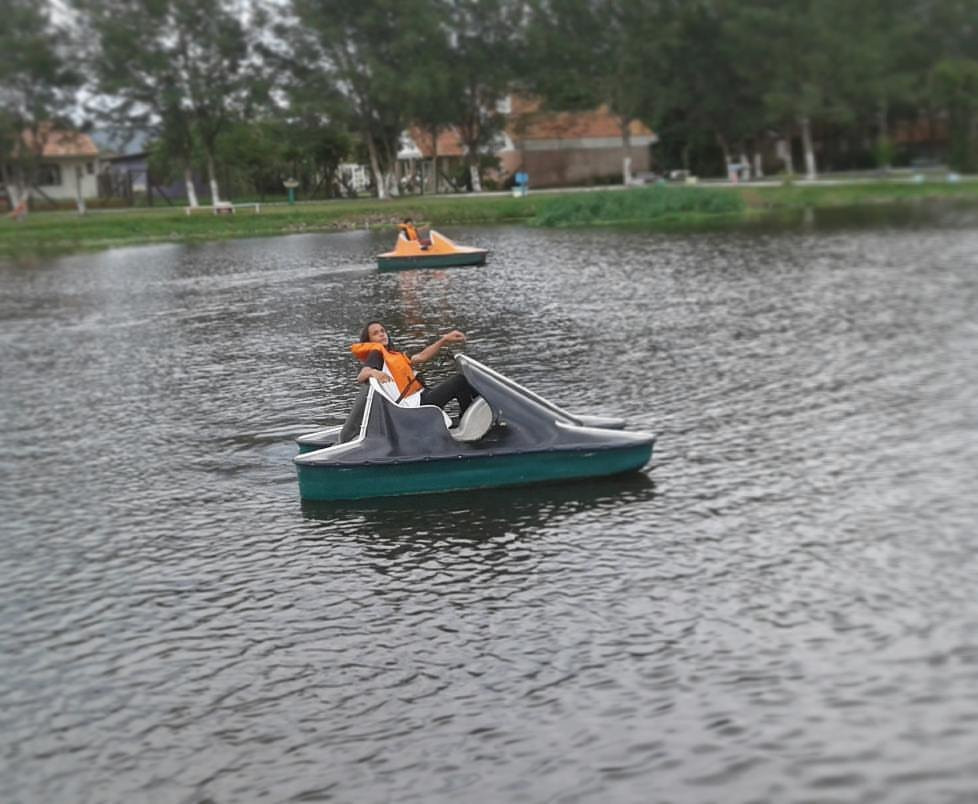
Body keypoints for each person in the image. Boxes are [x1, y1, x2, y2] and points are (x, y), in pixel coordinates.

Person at [338, 321, 476, 442]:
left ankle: (469, 418)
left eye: (383, 331)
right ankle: (473, 424)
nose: (381, 334)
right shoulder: (377, 354)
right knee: (460, 381)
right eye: (375, 333)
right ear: (369, 340)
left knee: (463, 383)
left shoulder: (394, 355)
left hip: (422, 397)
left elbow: (421, 357)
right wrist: (374, 372)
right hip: (415, 406)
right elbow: (361, 375)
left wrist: (444, 340)